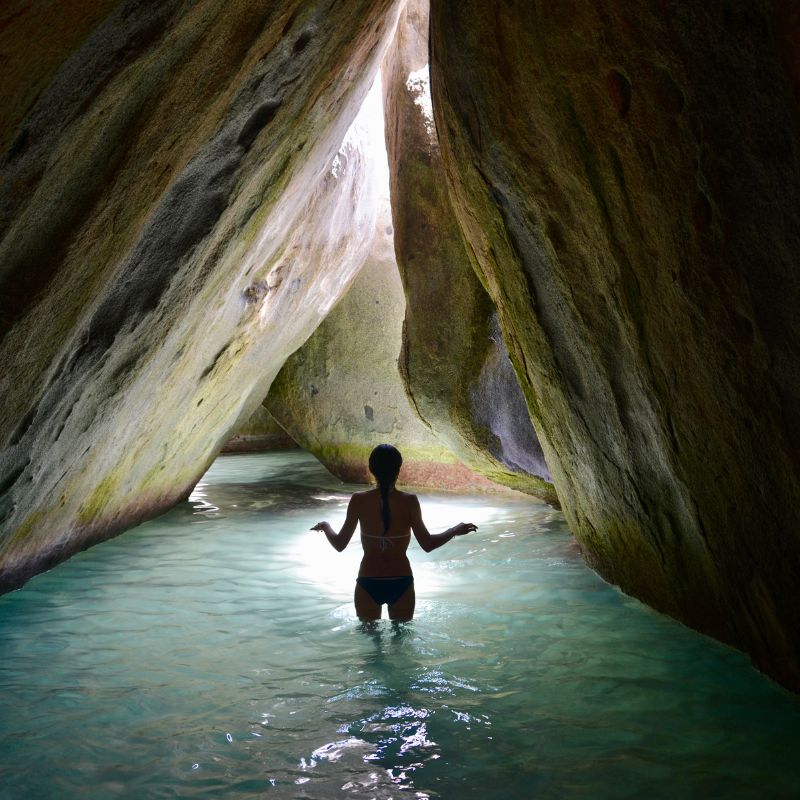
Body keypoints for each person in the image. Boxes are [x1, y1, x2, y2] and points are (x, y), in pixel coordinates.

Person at [312, 444, 477, 622]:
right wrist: (454, 530)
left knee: (371, 645)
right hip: (401, 581)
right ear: (398, 470)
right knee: (401, 642)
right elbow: (427, 544)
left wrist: (326, 526)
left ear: (371, 469)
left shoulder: (359, 500)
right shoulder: (409, 502)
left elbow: (339, 544)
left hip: (369, 580)